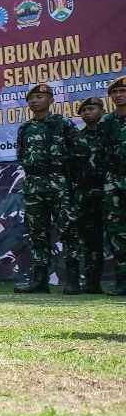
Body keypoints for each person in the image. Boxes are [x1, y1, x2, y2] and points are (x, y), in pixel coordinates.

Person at [14, 83, 79, 294]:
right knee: (37, 233)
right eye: (31, 98)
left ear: (51, 100)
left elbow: (79, 152)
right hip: (34, 185)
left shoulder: (63, 124)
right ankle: (39, 281)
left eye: (40, 97)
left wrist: (66, 175)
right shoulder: (25, 128)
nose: (34, 101)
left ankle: (73, 281)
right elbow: (21, 155)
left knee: (68, 231)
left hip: (59, 183)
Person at [76, 97, 109, 294]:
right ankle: (92, 283)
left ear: (102, 111)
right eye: (84, 110)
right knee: (91, 240)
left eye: (92, 108)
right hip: (87, 194)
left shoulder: (111, 132)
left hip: (112, 190)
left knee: (118, 237)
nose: (87, 112)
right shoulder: (78, 138)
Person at [101, 77, 126, 294]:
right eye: (115, 92)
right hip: (115, 182)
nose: (118, 95)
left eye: (123, 91)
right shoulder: (107, 122)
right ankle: (123, 281)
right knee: (117, 233)